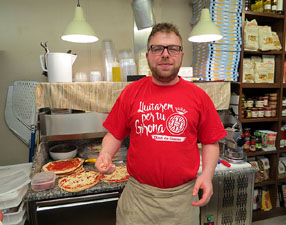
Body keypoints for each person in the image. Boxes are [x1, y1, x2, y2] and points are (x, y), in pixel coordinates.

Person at [95, 22, 227, 225]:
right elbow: (115, 134)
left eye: (172, 48)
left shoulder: (198, 97)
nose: (165, 54)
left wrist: (207, 176)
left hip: (183, 201)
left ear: (181, 55)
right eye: (157, 48)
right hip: (138, 201)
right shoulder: (131, 93)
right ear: (148, 55)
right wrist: (105, 154)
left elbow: (211, 142)